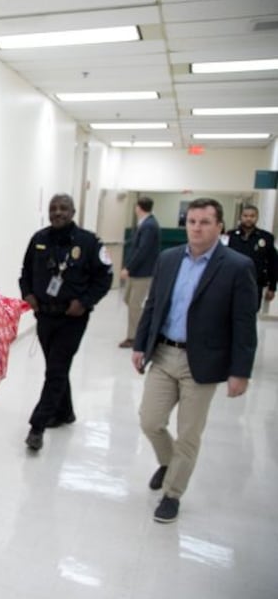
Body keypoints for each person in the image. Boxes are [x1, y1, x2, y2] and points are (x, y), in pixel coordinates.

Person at [132, 197, 258, 523]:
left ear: (219, 226)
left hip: (202, 362)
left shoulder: (237, 266)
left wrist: (240, 371)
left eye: (204, 222)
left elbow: (244, 324)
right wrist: (140, 345)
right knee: (150, 421)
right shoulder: (169, 258)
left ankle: (172, 494)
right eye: (191, 222)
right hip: (164, 353)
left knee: (188, 433)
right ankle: (168, 462)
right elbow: (153, 305)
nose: (196, 228)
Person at [19, 194, 113, 451]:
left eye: (63, 208)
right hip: (44, 316)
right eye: (53, 208)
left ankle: (37, 426)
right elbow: (25, 272)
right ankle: (65, 412)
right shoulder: (39, 239)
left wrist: (84, 302)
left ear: (73, 212)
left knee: (56, 369)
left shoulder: (89, 242)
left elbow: (105, 278)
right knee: (56, 367)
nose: (58, 212)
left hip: (72, 318)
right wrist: (27, 294)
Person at [119, 196, 160, 348]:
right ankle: (138, 332)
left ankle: (135, 337)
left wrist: (128, 268)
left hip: (142, 273)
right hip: (137, 272)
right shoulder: (145, 223)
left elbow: (143, 250)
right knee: (129, 300)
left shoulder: (149, 225)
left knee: (135, 304)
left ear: (138, 207)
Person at [225, 204, 278, 311]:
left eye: (252, 216)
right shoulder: (230, 235)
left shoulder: (266, 237)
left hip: (255, 283)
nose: (248, 218)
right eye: (245, 215)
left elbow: (273, 263)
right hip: (231, 282)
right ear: (241, 217)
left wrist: (272, 287)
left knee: (250, 313)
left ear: (257, 217)